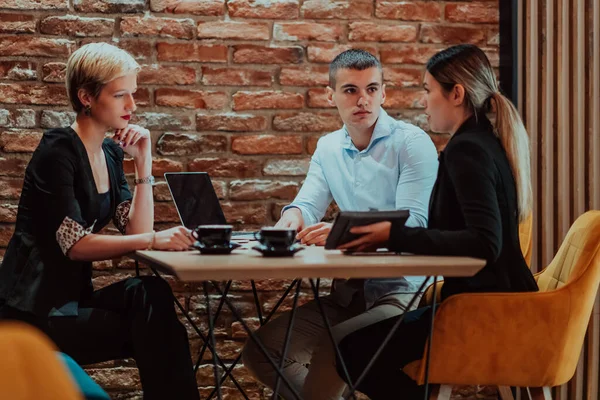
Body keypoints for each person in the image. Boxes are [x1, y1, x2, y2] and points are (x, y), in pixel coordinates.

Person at [334, 44, 539, 399]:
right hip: (493, 305)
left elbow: (484, 243)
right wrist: (393, 235)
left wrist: (393, 236)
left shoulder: (466, 150)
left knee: (351, 352)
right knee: (359, 349)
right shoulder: (483, 141)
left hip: (482, 312)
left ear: (455, 94)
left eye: (428, 90)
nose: (424, 101)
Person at [0, 43, 199, 400]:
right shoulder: (57, 150)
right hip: (33, 313)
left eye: (132, 95)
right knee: (159, 334)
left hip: (73, 302)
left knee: (151, 293)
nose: (132, 106)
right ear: (86, 96)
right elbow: (76, 246)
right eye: (120, 95)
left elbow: (135, 230)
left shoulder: (108, 152)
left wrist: (143, 164)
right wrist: (155, 240)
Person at [242, 49, 439, 400]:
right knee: (264, 350)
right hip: (350, 295)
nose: (362, 99)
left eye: (371, 89)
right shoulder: (328, 147)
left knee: (337, 348)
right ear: (329, 95)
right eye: (350, 90)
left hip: (406, 293)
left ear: (383, 93)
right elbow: (307, 204)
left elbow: (416, 224)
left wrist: (341, 233)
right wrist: (290, 220)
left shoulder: (411, 143)